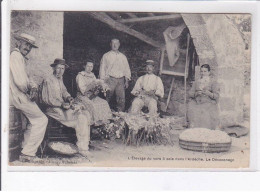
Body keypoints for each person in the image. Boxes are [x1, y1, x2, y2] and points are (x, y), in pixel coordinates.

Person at [10, 33, 48, 162]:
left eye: (30, 46)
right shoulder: (15, 56)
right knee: (42, 120)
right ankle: (28, 153)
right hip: (18, 96)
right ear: (18, 43)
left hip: (20, 95)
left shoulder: (21, 57)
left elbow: (28, 78)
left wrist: (33, 86)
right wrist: (30, 90)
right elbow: (21, 82)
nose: (28, 48)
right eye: (26, 44)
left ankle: (24, 148)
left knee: (34, 121)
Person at [41, 58, 91, 157]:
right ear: (54, 68)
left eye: (62, 69)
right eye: (58, 68)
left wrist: (69, 97)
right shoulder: (48, 80)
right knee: (79, 119)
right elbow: (46, 99)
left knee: (83, 115)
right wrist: (61, 105)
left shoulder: (59, 79)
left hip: (61, 107)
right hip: (52, 109)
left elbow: (64, 91)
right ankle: (82, 147)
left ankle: (82, 147)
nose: (60, 71)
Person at [75, 60, 112, 126]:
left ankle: (104, 123)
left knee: (104, 103)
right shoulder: (80, 76)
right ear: (84, 66)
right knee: (93, 105)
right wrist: (92, 84)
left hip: (92, 95)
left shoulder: (92, 75)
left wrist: (97, 89)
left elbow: (95, 87)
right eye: (88, 66)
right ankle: (95, 124)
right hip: (82, 96)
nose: (89, 68)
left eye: (91, 66)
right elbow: (83, 90)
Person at [99, 38, 131, 112]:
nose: (115, 45)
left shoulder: (123, 56)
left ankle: (120, 114)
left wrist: (126, 80)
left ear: (119, 45)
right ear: (110, 44)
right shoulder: (106, 55)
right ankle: (104, 114)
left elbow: (127, 68)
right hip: (110, 79)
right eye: (113, 43)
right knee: (107, 97)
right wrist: (102, 81)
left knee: (121, 99)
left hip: (121, 80)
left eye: (116, 43)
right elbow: (102, 68)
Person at [187, 64, 220, 130]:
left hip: (208, 102)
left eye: (205, 71)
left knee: (204, 112)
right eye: (201, 71)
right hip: (197, 102)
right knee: (192, 108)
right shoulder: (196, 82)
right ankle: (194, 129)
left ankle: (204, 129)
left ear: (209, 72)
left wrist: (209, 93)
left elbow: (216, 96)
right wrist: (196, 93)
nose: (203, 73)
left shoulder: (213, 82)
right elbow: (190, 93)